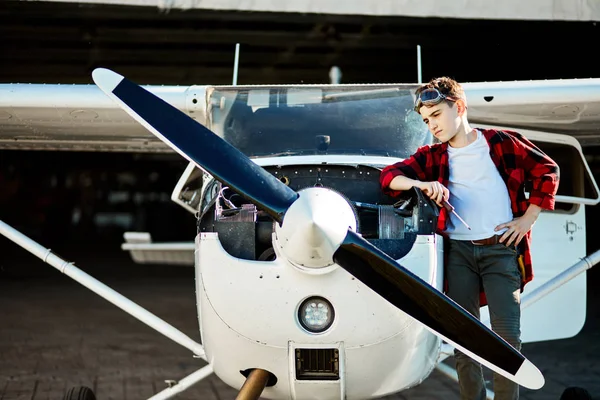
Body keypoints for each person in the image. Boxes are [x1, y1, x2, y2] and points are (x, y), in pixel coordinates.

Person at [379, 77, 559, 400]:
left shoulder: (502, 143)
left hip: (501, 250)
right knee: (464, 339)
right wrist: (420, 186)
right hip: (458, 254)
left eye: (436, 115)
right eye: (426, 120)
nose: (432, 125)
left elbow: (548, 170)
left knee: (507, 342)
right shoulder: (432, 157)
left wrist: (527, 219)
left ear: (459, 107)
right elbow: (389, 177)